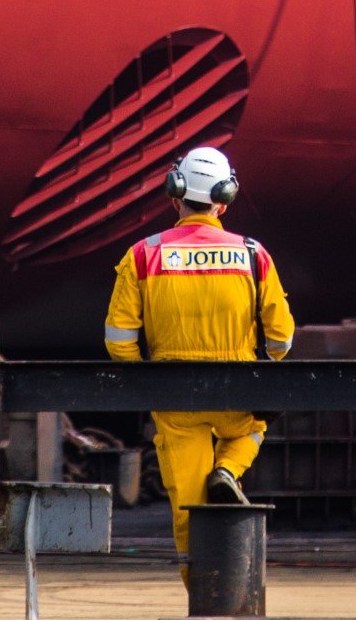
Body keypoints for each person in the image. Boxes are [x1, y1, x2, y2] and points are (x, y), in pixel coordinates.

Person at [104, 147, 294, 578]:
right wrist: (262, 362)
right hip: (237, 393)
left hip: (175, 398)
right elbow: (282, 338)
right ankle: (227, 468)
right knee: (254, 429)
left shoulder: (143, 254)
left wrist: (145, 381)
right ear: (223, 200)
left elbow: (118, 339)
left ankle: (206, 600)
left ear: (175, 193)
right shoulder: (252, 253)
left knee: (190, 512)